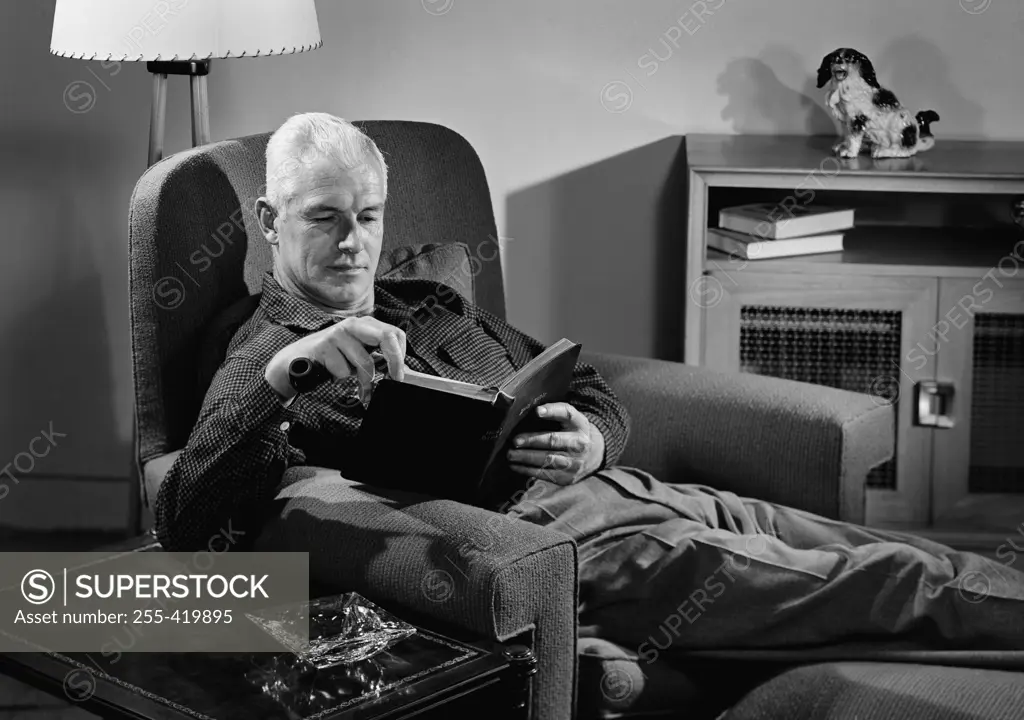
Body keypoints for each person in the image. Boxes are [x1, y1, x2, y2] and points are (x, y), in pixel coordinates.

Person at [154, 112, 1024, 657]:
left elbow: (591, 382)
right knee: (882, 584)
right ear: (270, 221)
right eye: (324, 220)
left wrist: (594, 435)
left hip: (626, 490)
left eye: (368, 218)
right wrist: (278, 376)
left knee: (835, 539)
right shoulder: (268, 352)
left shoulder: (431, 301)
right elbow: (191, 520)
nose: (352, 244)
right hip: (552, 545)